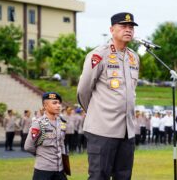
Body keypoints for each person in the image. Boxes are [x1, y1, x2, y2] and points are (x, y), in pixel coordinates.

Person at [77, 12, 139, 180]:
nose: (128, 30)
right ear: (112, 29)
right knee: (99, 176)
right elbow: (83, 90)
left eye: (131, 27)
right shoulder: (98, 55)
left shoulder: (134, 57)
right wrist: (96, 114)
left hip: (127, 131)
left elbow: (131, 91)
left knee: (124, 176)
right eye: (123, 26)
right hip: (102, 131)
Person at [24, 92, 67, 180]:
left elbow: (61, 144)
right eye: (54, 103)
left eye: (59, 103)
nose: (58, 105)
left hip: (60, 169)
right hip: (43, 170)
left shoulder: (61, 123)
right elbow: (28, 146)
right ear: (45, 106)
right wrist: (41, 155)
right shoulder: (38, 124)